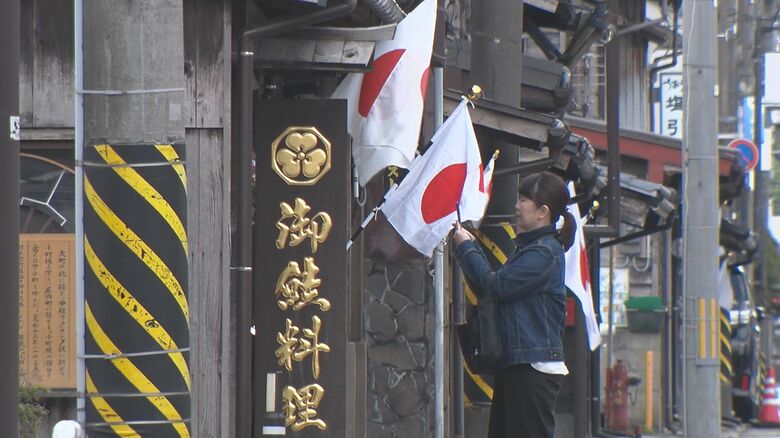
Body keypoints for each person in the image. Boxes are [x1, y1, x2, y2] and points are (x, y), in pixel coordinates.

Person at [452, 171, 576, 438]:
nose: (517, 206)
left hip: (532, 367)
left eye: (523, 200)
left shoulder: (543, 252)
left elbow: (495, 287)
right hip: (521, 364)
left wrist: (466, 249)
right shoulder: (534, 249)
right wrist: (471, 249)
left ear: (542, 211)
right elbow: (494, 287)